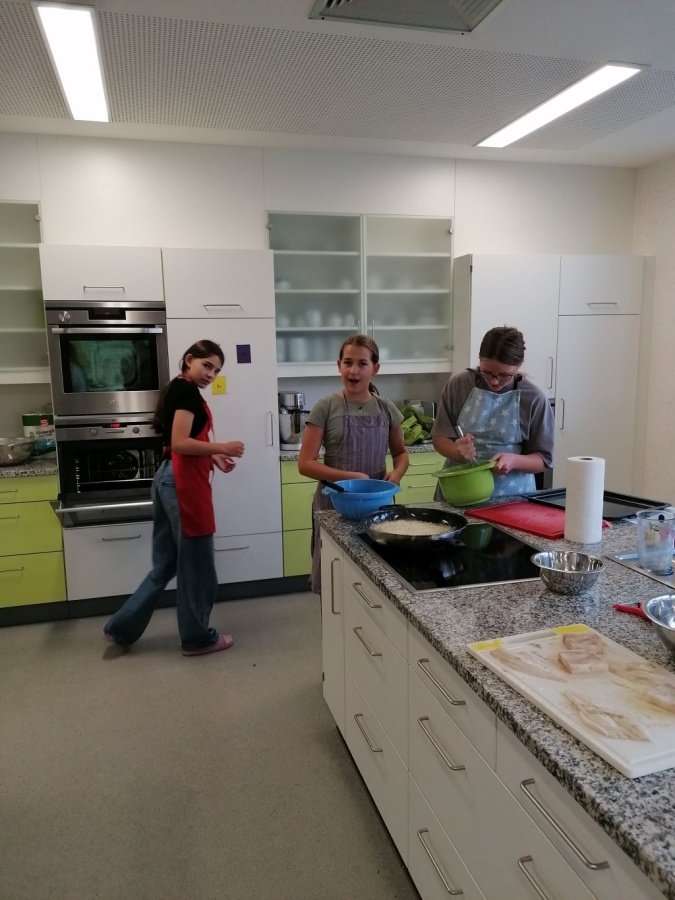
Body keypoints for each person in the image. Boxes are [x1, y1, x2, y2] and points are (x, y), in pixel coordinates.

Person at [103, 339, 245, 656]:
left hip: (168, 477)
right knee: (198, 569)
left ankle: (120, 628)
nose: (211, 374)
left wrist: (212, 457)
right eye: (207, 366)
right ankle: (197, 639)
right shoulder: (187, 391)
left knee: (166, 564)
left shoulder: (177, 389)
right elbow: (181, 443)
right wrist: (222, 447)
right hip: (182, 483)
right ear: (189, 359)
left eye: (217, 370)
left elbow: (176, 442)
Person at [299, 334, 409, 593]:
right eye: (348, 363)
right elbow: (305, 464)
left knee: (375, 580)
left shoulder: (387, 409)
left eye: (362, 364)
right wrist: (348, 478)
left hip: (377, 506)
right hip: (334, 505)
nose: (353, 371)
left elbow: (401, 453)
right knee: (334, 580)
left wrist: (397, 473)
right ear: (339, 365)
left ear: (375, 368)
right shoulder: (325, 407)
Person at [432, 325, 554, 498]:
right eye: (487, 372)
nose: (495, 381)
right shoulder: (459, 384)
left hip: (511, 497)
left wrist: (514, 460)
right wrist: (455, 451)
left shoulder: (533, 397)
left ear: (519, 364)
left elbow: (544, 459)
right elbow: (440, 438)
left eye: (504, 375)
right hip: (459, 492)